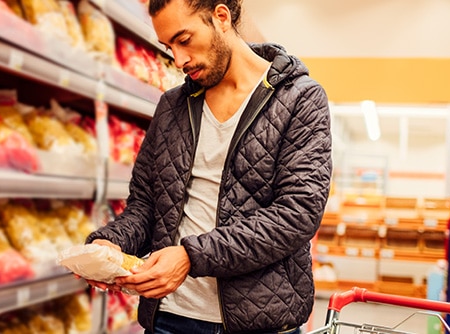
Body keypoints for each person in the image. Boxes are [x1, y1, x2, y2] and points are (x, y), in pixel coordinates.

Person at [85, 0, 332, 332]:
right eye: (168, 46)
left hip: (259, 322)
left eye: (184, 39)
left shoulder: (299, 99)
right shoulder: (172, 106)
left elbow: (296, 214)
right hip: (170, 318)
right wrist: (111, 243)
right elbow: (146, 205)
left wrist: (190, 257)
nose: (178, 60)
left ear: (221, 17)